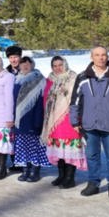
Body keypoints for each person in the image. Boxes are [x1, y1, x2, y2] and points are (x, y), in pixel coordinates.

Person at [70, 45, 109, 201]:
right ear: (92, 57)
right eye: (97, 55)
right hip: (89, 125)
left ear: (107, 56)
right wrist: (74, 121)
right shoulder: (83, 77)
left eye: (103, 55)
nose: (101, 58)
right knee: (92, 156)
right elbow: (75, 101)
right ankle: (93, 183)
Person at [41, 56, 87, 189]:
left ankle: (69, 178)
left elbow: (79, 99)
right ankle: (61, 175)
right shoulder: (49, 80)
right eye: (54, 66)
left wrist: (65, 93)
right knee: (58, 150)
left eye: (60, 65)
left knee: (69, 151)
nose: (57, 68)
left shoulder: (73, 79)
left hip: (68, 120)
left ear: (65, 64)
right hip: (53, 121)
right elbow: (45, 98)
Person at [13, 56, 49, 182]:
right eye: (23, 63)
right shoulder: (17, 79)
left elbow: (41, 102)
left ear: (33, 65)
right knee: (23, 145)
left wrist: (38, 120)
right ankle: (25, 169)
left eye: (28, 63)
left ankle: (35, 170)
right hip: (20, 119)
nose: (25, 66)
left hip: (34, 117)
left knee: (35, 145)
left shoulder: (39, 79)